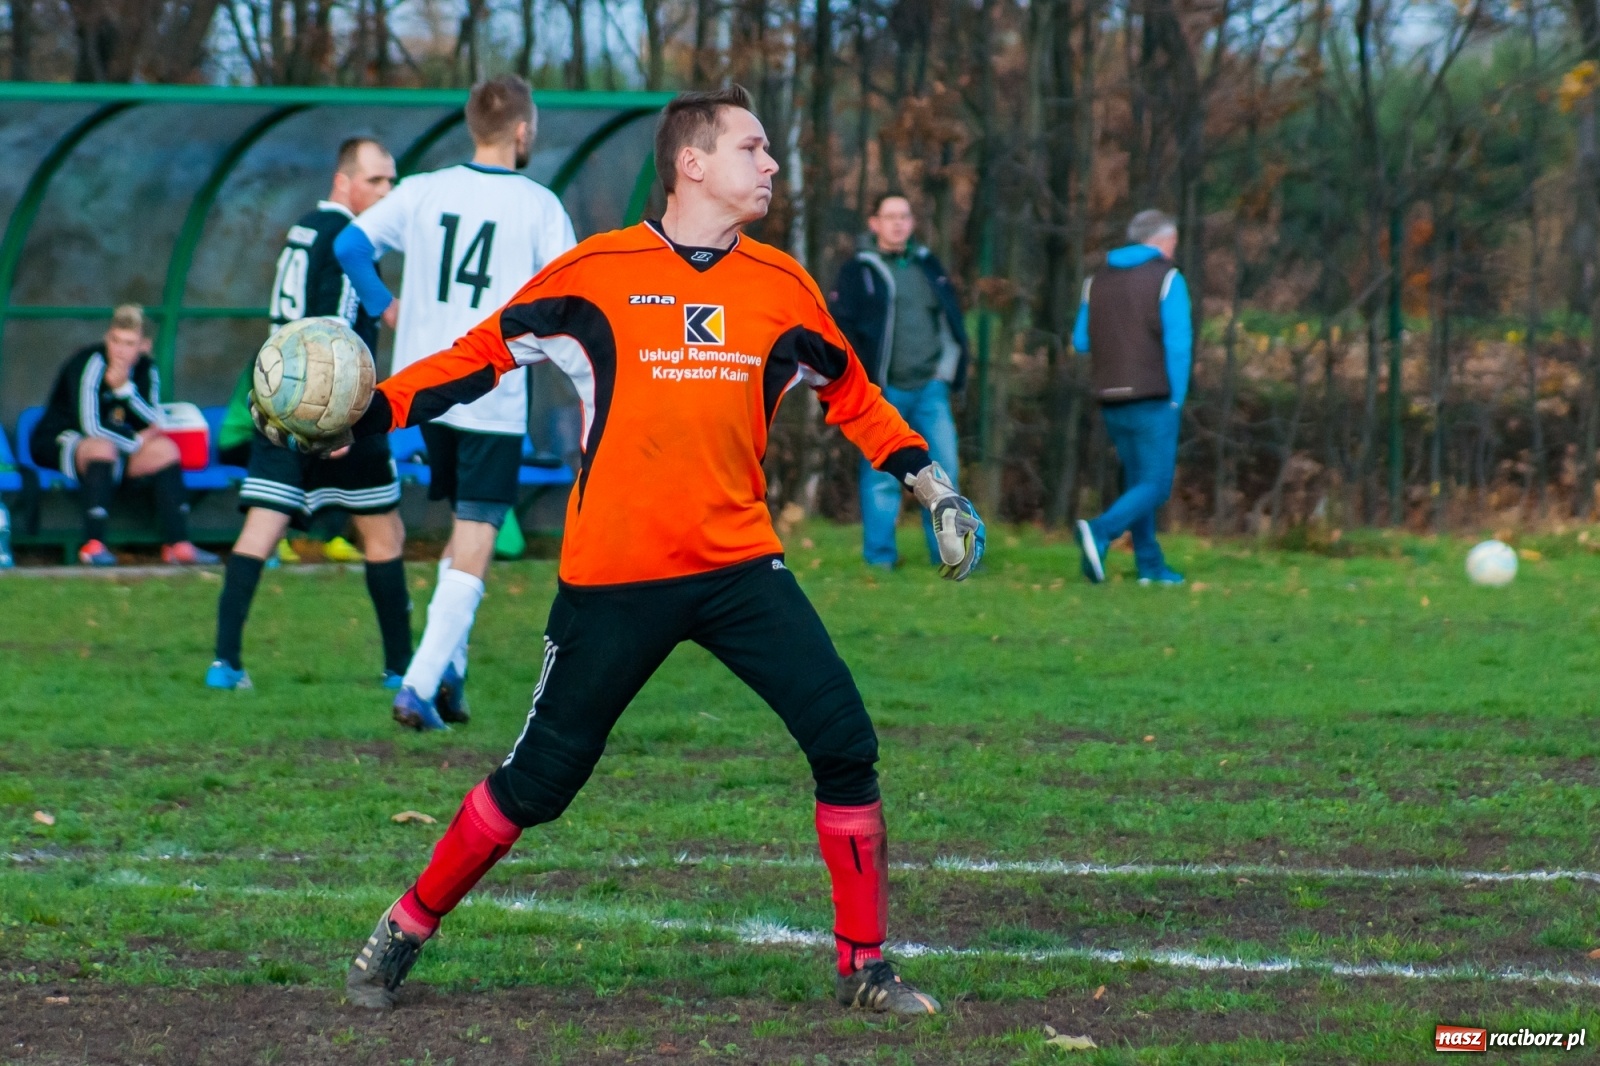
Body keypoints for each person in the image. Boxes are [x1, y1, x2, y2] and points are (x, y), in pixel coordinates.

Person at [264, 86, 984, 1016]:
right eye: (752, 148)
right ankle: (406, 923)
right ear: (692, 163)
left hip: (738, 570)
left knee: (845, 745)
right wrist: (370, 415)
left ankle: (865, 966)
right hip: (615, 577)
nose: (770, 166)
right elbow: (478, 354)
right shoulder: (598, 271)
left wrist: (933, 487)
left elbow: (856, 396)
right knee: (538, 784)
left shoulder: (783, 288)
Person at [334, 74, 577, 732]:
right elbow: (570, 303)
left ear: (474, 128)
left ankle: (452, 676)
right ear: (522, 130)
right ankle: (417, 685)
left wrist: (385, 308)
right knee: (477, 536)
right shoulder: (538, 205)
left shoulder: (422, 191)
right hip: (490, 394)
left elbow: (350, 245)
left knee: (460, 537)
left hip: (419, 392)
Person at [204, 137, 413, 692]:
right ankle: (400, 671)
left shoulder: (304, 228)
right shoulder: (349, 239)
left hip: (278, 396)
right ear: (342, 182)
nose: (385, 191)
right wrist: (341, 418)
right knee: (384, 533)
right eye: (375, 180)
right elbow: (334, 338)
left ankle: (225, 664)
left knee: (261, 529)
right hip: (330, 406)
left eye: (391, 181)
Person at [829, 194, 969, 569]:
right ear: (874, 223)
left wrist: (947, 370)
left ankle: (951, 555)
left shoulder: (928, 265)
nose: (898, 223)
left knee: (943, 472)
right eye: (890, 216)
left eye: (904, 216)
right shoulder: (858, 271)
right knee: (881, 477)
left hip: (931, 388)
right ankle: (880, 558)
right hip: (883, 392)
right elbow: (842, 330)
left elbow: (950, 319)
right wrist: (863, 383)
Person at [29, 304, 218, 567]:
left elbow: (155, 420)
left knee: (165, 450)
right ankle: (93, 545)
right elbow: (91, 427)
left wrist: (125, 390)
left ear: (144, 346)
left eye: (129, 343)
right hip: (61, 440)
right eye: (115, 340)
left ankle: (178, 544)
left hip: (118, 447)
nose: (119, 350)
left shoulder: (146, 370)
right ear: (107, 337)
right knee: (102, 447)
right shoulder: (90, 363)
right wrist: (136, 442)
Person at [1070, 209, 1192, 586]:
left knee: (1139, 481)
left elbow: (1080, 341)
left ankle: (1150, 566)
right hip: (1153, 397)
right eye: (1172, 243)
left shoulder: (1097, 281)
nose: (1173, 251)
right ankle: (1101, 531)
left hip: (1110, 399)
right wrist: (1177, 397)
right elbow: (1178, 344)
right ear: (1160, 241)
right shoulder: (1167, 279)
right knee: (1156, 483)